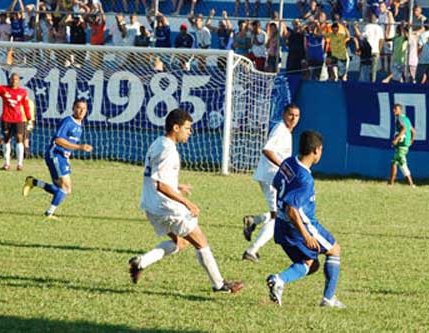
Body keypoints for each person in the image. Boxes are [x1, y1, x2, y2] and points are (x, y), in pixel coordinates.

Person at [129, 109, 243, 294]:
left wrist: (177, 185)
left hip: (151, 206)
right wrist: (187, 203)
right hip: (168, 208)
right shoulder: (169, 150)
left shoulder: (158, 143)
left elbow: (156, 176)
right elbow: (160, 185)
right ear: (176, 128)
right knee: (201, 242)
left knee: (180, 243)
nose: (190, 132)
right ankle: (220, 285)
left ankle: (141, 262)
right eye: (187, 128)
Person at [266, 130, 346, 308]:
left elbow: (276, 183)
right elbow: (292, 209)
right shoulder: (305, 179)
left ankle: (279, 280)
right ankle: (328, 299)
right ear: (317, 150)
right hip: (300, 226)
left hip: (281, 225)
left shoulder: (288, 162)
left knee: (311, 264)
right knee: (335, 250)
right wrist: (306, 235)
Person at [242, 104, 301, 262]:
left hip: (272, 177)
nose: (293, 118)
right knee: (277, 217)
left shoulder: (286, 131)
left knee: (280, 212)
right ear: (284, 114)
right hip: (271, 177)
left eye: (296, 116)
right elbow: (267, 149)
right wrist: (284, 167)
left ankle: (254, 221)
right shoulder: (280, 130)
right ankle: (251, 251)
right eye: (290, 115)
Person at [22, 99, 93, 219]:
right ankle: (49, 213)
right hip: (55, 155)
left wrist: (68, 157)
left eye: (83, 108)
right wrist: (80, 147)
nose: (81, 111)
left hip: (62, 157)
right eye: (78, 107)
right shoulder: (68, 121)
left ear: (86, 111)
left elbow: (68, 144)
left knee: (63, 190)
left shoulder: (79, 126)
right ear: (73, 108)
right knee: (65, 188)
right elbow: (58, 140)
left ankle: (33, 182)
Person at [388, 104, 416, 187]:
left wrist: (396, 140)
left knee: (394, 163)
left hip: (401, 145)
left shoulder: (399, 118)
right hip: (405, 145)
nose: (394, 110)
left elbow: (403, 129)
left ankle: (390, 184)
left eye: (396, 109)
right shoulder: (406, 119)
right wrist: (411, 141)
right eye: (393, 109)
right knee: (402, 165)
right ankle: (411, 185)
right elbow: (413, 131)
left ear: (400, 110)